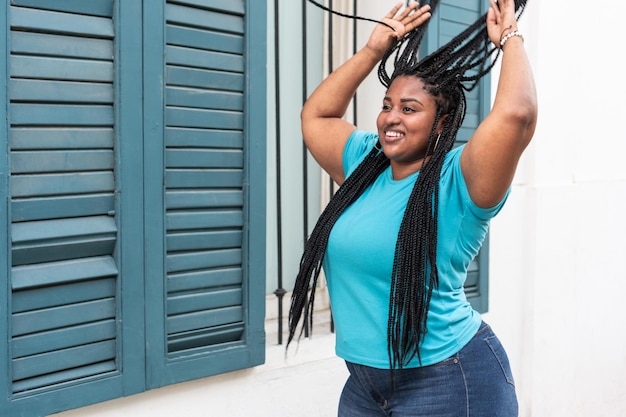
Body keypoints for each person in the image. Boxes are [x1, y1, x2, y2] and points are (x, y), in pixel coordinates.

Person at [288, 0, 537, 415]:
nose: (390, 118)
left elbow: (517, 114)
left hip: (450, 377)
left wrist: (510, 39)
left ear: (441, 122)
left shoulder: (460, 179)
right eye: (387, 105)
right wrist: (372, 50)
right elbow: (317, 116)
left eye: (409, 109)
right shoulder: (366, 163)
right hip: (365, 383)